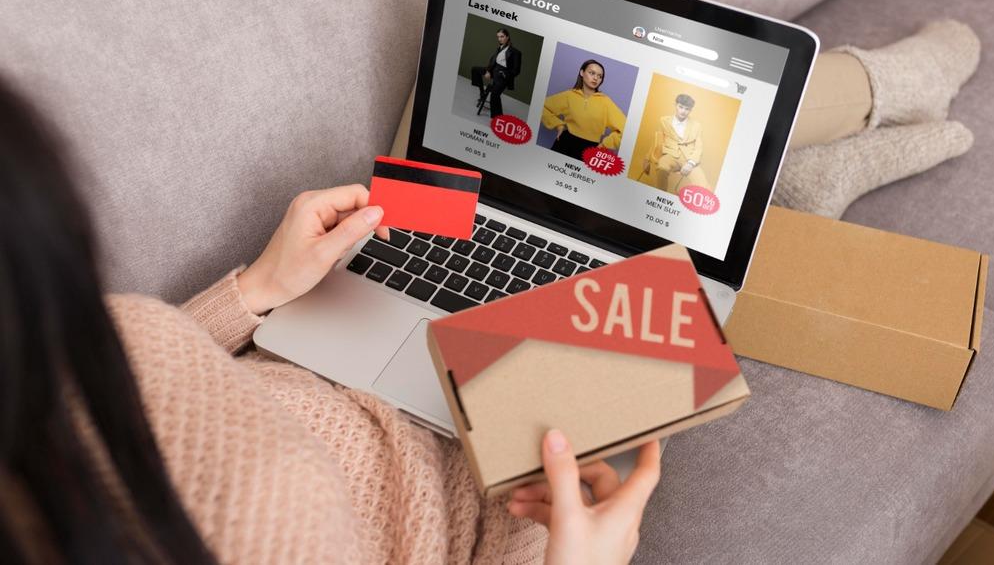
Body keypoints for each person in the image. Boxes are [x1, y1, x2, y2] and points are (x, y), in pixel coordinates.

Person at [0, 78, 659, 565]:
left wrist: (258, 288)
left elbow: (125, 379)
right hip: (482, 495)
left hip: (313, 346)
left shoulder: (43, 388)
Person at [541, 59, 627, 161]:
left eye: (600, 76)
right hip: (564, 143)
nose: (596, 78)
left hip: (591, 150)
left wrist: (604, 145)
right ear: (582, 72)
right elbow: (543, 106)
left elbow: (625, 128)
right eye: (592, 73)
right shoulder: (569, 95)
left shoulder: (606, 102)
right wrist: (558, 125)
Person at [641, 93, 710, 194]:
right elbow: (657, 141)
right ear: (675, 105)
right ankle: (659, 195)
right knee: (662, 167)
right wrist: (647, 158)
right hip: (670, 156)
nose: (683, 111)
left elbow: (699, 147)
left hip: (689, 158)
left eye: (687, 109)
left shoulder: (697, 125)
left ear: (690, 110)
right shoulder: (664, 120)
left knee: (703, 184)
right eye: (681, 107)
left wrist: (691, 163)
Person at [471, 28, 522, 118]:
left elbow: (516, 71)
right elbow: (493, 62)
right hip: (494, 70)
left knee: (494, 95)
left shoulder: (515, 52)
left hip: (503, 75)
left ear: (507, 37)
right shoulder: (499, 49)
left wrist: (504, 74)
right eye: (498, 37)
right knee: (475, 69)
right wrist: (488, 71)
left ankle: (497, 118)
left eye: (502, 36)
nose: (499, 39)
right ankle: (482, 93)